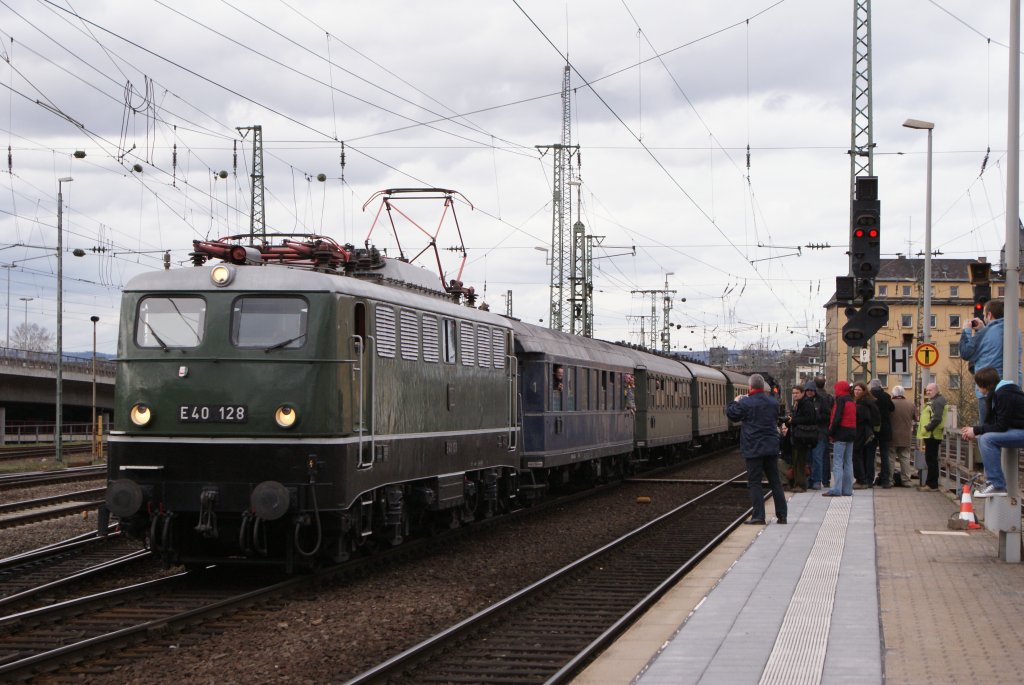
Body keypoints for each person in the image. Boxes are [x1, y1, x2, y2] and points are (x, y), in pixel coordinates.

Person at [726, 374, 788, 524]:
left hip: (753, 448)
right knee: (775, 482)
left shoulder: (746, 403)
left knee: (755, 482)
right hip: (771, 447)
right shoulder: (773, 403)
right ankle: (782, 515)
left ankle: (759, 516)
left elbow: (732, 415)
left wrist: (735, 402)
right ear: (762, 387)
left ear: (750, 387)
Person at [960, 366, 1024, 497]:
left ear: (985, 385)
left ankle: (997, 484)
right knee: (985, 436)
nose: (977, 389)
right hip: (1018, 429)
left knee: (986, 439)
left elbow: (1001, 426)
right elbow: (993, 423)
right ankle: (993, 482)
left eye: (978, 385)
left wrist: (976, 430)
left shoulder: (1004, 394)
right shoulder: (1000, 393)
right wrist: (973, 430)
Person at [959, 299, 1019, 424]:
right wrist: (983, 329)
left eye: (985, 315)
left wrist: (967, 331)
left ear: (989, 315)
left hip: (989, 388)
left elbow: (966, 352)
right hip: (1014, 387)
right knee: (1008, 427)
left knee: (987, 430)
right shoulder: (1016, 332)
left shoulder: (986, 333)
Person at [823, 380, 856, 497]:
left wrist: (830, 432)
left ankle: (837, 489)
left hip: (841, 434)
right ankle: (847, 489)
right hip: (851, 433)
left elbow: (836, 418)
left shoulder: (840, 401)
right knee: (848, 462)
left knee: (837, 462)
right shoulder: (851, 401)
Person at [787, 382, 819, 493]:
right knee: (796, 461)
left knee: (800, 461)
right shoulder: (799, 403)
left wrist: (793, 420)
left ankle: (801, 484)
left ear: (802, 393)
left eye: (796, 393)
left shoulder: (806, 404)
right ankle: (798, 483)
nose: (794, 395)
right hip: (798, 436)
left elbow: (809, 418)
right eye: (793, 393)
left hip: (803, 437)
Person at [915, 382, 947, 492]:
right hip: (931, 434)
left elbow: (937, 418)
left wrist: (927, 428)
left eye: (930, 390)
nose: (928, 392)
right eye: (927, 390)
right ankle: (931, 483)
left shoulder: (937, 401)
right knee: (931, 459)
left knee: (931, 459)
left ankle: (932, 484)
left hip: (932, 434)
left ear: (936, 390)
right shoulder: (935, 400)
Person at [852, 381, 879, 489]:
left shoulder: (862, 403)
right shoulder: (870, 401)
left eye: (859, 390)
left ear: (864, 391)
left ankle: (862, 480)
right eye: (855, 389)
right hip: (869, 433)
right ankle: (868, 479)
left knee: (860, 455)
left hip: (863, 432)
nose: (856, 391)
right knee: (868, 457)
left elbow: (862, 418)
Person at [889, 385, 918, 487]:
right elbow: (916, 418)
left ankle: (890, 479)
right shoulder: (911, 404)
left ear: (893, 394)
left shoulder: (890, 404)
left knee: (891, 458)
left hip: (892, 436)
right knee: (905, 458)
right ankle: (906, 480)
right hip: (906, 436)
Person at [869, 379, 895, 488]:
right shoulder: (886, 396)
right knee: (885, 455)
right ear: (880, 386)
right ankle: (885, 481)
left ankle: (869, 479)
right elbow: (892, 408)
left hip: (871, 430)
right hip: (885, 429)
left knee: (870, 455)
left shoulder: (868, 397)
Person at [812, 374, 834, 489]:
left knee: (817, 456)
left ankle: (817, 480)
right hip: (826, 430)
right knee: (825, 456)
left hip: (817, 430)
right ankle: (826, 480)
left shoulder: (815, 398)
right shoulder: (830, 397)